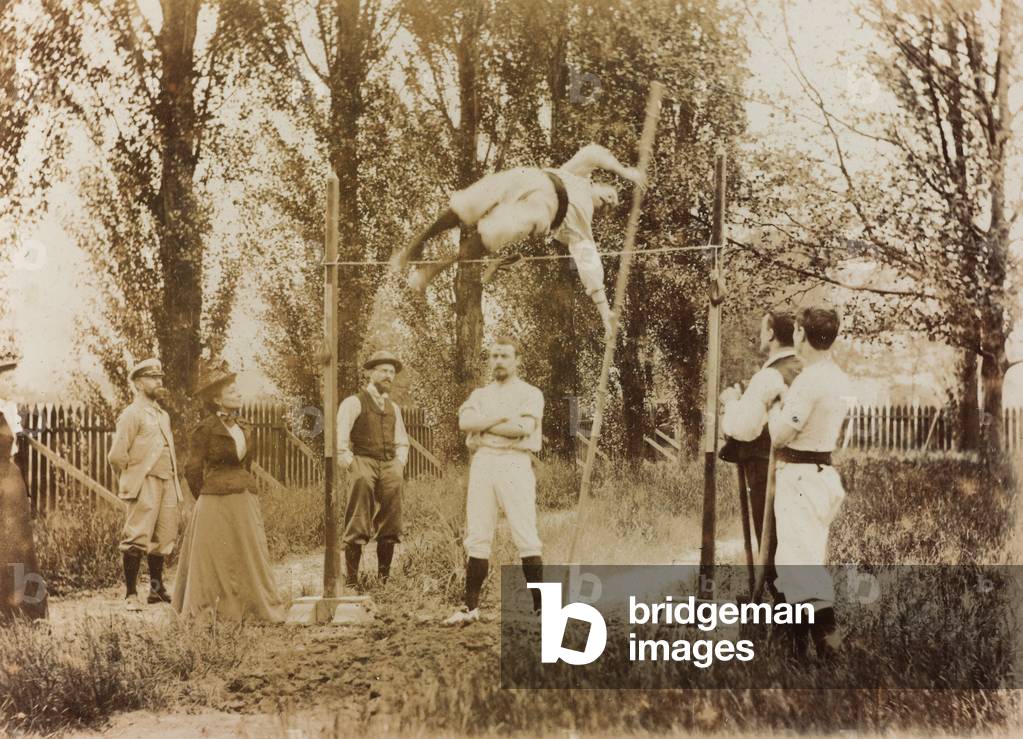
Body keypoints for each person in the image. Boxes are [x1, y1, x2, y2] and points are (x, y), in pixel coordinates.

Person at [392, 144, 647, 334]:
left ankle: (432, 270)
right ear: (600, 185)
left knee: (491, 233)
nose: (610, 203)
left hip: (546, 208)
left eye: (610, 208)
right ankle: (416, 245)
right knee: (471, 201)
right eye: (611, 195)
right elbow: (593, 153)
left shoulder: (582, 228)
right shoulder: (578, 175)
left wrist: (605, 314)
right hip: (534, 177)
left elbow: (590, 268)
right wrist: (626, 172)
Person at [767, 307, 851, 660]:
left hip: (801, 477)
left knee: (799, 566)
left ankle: (829, 647)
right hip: (822, 473)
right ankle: (796, 649)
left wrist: (774, 409)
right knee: (798, 560)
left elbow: (780, 436)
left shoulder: (810, 380)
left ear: (801, 333)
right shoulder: (839, 379)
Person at [174, 360, 284, 623]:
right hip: (214, 500)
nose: (238, 394)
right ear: (217, 399)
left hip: (244, 497)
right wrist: (208, 493)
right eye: (231, 391)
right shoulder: (204, 430)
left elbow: (245, 464)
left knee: (248, 552)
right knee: (213, 559)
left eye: (238, 390)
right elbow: (192, 468)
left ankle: (251, 608)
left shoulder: (246, 427)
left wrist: (241, 483)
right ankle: (211, 611)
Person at [444, 337, 545, 626]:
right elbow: (465, 423)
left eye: (504, 356)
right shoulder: (480, 394)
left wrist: (484, 425)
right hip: (483, 463)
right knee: (477, 534)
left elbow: (521, 428)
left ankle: (541, 610)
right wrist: (500, 419)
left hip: (514, 461)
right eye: (494, 356)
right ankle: (470, 608)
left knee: (525, 533)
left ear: (517, 360)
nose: (498, 361)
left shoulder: (530, 393)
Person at [719, 311, 803, 589]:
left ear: (770, 333)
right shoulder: (807, 371)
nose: (759, 334)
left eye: (761, 328)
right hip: (805, 473)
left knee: (772, 546)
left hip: (768, 471)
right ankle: (800, 620)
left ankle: (784, 621)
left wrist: (731, 402)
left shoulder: (769, 377)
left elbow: (742, 428)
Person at [109, 358, 183, 611]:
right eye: (153, 378)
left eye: (160, 377)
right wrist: (131, 481)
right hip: (145, 483)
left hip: (167, 481)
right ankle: (130, 594)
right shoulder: (131, 414)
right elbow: (117, 455)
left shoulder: (163, 415)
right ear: (139, 383)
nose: (159, 382)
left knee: (163, 536)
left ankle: (156, 589)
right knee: (137, 535)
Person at [336, 350, 409, 589]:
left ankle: (383, 580)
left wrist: (399, 463)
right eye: (383, 371)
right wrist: (350, 464)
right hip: (363, 461)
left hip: (389, 463)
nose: (388, 376)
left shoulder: (393, 408)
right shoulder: (354, 402)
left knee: (392, 519)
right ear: (370, 373)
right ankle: (352, 581)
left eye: (391, 372)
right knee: (358, 516)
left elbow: (402, 441)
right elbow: (341, 440)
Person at [0, 347, 48, 620]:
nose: (13, 383)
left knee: (18, 545)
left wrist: (25, 492)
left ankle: (22, 609)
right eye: (7, 377)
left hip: (12, 483)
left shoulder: (10, 410)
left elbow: (18, 454)